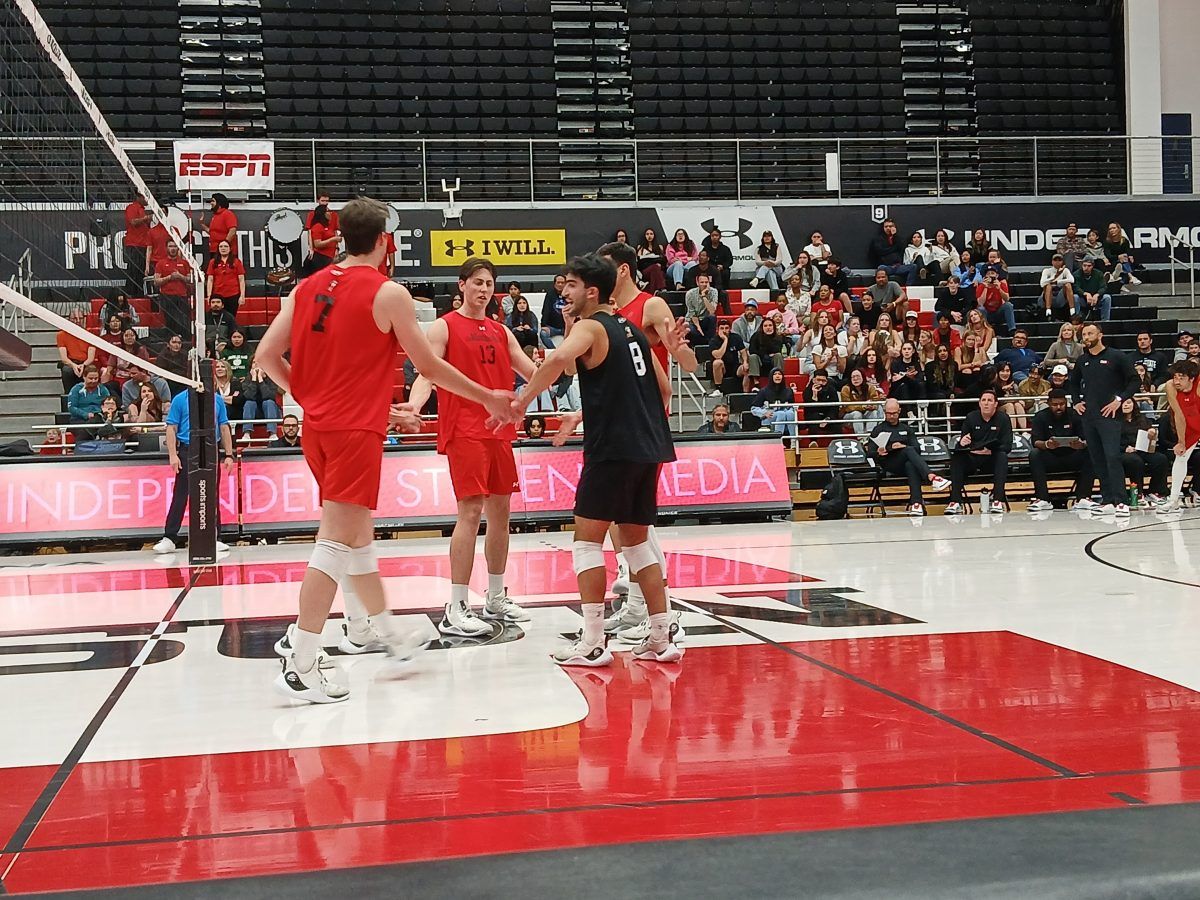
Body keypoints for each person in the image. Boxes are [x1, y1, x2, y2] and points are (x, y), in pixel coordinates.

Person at [254, 197, 517, 704]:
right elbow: (431, 369)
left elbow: (266, 356)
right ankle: (301, 654)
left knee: (356, 539)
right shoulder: (388, 293)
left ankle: (386, 636)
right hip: (354, 433)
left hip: (317, 429)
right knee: (334, 542)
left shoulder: (305, 287)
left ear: (337, 238)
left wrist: (311, 398)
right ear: (384, 242)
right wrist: (489, 397)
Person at [511, 253, 682, 666]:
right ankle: (661, 635)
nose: (562, 291)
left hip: (613, 449)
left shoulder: (591, 326)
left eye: (569, 284)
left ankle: (591, 641)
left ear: (591, 291)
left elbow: (555, 361)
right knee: (638, 544)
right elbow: (663, 390)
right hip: (648, 446)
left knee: (586, 542)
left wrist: (521, 403)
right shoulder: (633, 329)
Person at [407, 257, 540, 636]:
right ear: (462, 285)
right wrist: (415, 405)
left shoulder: (500, 331)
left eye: (488, 283)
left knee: (502, 513)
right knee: (470, 512)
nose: (483, 289)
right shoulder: (444, 326)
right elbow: (428, 374)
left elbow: (535, 375)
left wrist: (528, 396)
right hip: (465, 429)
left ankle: (495, 596)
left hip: (499, 431)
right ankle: (456, 604)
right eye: (477, 282)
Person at [596, 241, 698, 644]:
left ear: (621, 270)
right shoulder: (605, 314)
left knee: (637, 517)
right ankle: (639, 605)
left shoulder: (651, 306)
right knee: (619, 517)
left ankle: (664, 609)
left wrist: (679, 350)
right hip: (615, 421)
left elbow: (687, 363)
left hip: (645, 422)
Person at [152, 383, 235, 554]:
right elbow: (171, 427)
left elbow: (224, 426)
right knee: (181, 493)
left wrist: (229, 454)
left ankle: (215, 537)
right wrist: (173, 454)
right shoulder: (180, 399)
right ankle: (169, 537)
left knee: (212, 494)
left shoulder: (216, 400)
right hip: (188, 449)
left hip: (211, 448)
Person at [1070, 323, 1139, 517]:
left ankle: (1121, 501)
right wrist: (1076, 402)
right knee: (1098, 459)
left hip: (1110, 416)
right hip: (1089, 417)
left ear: (1100, 335)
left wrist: (1119, 400)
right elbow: (1073, 383)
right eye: (1084, 334)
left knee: (1112, 457)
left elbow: (1135, 380)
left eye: (1090, 333)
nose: (1086, 336)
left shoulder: (1116, 356)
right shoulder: (1082, 360)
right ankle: (1108, 499)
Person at [867, 398, 952, 516]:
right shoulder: (878, 429)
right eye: (888, 413)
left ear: (899, 411)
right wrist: (879, 452)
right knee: (909, 450)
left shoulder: (906, 429)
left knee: (910, 463)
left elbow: (917, 449)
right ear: (884, 412)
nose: (891, 416)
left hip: (906, 463)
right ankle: (932, 477)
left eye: (894, 413)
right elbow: (869, 453)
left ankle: (916, 504)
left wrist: (902, 446)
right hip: (888, 463)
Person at [943, 389, 1013, 516]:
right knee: (957, 457)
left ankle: (997, 500)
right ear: (979, 403)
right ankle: (955, 502)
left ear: (996, 404)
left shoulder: (1003, 419)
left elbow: (1007, 446)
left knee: (1002, 457)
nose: (986, 403)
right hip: (973, 458)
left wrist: (991, 451)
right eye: (983, 400)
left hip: (991, 459)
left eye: (990, 400)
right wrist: (962, 443)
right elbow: (961, 446)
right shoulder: (971, 418)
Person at [1026, 389, 1094, 512]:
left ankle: (1083, 498)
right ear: (1048, 403)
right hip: (1051, 457)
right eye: (1055, 404)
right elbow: (1035, 442)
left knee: (1091, 452)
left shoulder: (1074, 415)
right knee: (1034, 455)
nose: (1059, 407)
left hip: (1072, 455)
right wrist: (1047, 444)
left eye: (1062, 404)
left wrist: (1081, 444)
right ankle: (1043, 499)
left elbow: (1087, 439)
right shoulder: (1041, 416)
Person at [1155, 360, 1200, 513]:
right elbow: (1178, 415)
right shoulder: (1170, 386)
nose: (1177, 381)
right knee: (1180, 457)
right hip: (1189, 420)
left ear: (1192, 379)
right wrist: (1181, 442)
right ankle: (1173, 500)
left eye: (1181, 378)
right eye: (1175, 377)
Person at [1117, 398, 1169, 504]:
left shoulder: (1141, 418)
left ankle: (1154, 491)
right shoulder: (1115, 420)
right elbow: (1111, 440)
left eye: (1129, 403)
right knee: (1135, 461)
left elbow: (1150, 431)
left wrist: (1152, 431)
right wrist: (1125, 448)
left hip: (1141, 449)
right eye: (1123, 403)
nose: (1126, 405)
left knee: (1160, 459)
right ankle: (1138, 493)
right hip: (1124, 451)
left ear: (1134, 405)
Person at [154, 241, 194, 340]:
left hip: (182, 296)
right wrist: (169, 278)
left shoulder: (184, 263)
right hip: (167, 296)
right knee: (169, 320)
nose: (173, 248)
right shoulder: (161, 263)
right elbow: (156, 281)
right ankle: (170, 340)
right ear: (166, 248)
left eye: (175, 246)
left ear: (178, 248)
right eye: (170, 246)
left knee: (183, 320)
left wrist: (180, 276)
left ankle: (184, 340)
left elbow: (190, 280)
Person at [57, 307, 98, 393]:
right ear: (69, 319)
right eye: (75, 318)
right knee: (67, 371)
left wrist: (83, 365)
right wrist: (74, 366)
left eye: (81, 318)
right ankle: (69, 396)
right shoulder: (61, 335)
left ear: (85, 319)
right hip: (71, 362)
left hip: (86, 362)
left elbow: (91, 358)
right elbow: (64, 358)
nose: (78, 321)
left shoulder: (91, 334)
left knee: (90, 370)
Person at [752, 367, 798, 441]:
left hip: (786, 419)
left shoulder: (789, 391)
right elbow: (754, 409)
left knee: (790, 414)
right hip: (769, 418)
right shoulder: (763, 391)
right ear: (771, 377)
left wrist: (790, 411)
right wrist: (764, 413)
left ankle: (794, 441)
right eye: (775, 374)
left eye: (779, 374)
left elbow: (792, 406)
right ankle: (778, 441)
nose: (777, 376)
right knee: (781, 414)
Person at [869, 218, 918, 285]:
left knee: (913, 267)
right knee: (880, 268)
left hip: (898, 266)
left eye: (890, 226)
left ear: (894, 227)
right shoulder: (878, 239)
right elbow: (880, 251)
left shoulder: (898, 238)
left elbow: (902, 248)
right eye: (886, 226)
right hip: (886, 266)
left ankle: (908, 288)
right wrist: (894, 248)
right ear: (883, 228)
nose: (888, 228)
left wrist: (895, 236)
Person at [205, 240, 246, 319]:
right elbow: (210, 280)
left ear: (230, 249)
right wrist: (209, 295)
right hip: (218, 294)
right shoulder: (213, 262)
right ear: (218, 249)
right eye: (221, 246)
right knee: (218, 316)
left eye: (225, 246)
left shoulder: (236, 262)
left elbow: (241, 279)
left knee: (231, 316)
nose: (223, 248)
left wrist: (242, 295)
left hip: (233, 294)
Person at [67, 365, 109, 436]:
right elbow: (72, 408)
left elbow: (108, 404)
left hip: (98, 418)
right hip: (79, 419)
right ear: (84, 377)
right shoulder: (76, 389)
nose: (93, 381)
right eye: (90, 378)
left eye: (96, 378)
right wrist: (86, 415)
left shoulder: (103, 389)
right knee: (84, 433)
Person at [709, 318, 748, 395]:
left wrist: (745, 362)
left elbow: (743, 351)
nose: (724, 330)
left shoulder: (736, 337)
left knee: (746, 368)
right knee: (717, 362)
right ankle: (718, 389)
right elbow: (718, 355)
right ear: (717, 330)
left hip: (735, 366)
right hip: (722, 368)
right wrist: (725, 340)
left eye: (726, 328)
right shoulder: (713, 340)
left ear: (730, 329)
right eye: (722, 328)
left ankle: (745, 392)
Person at [123, 192, 152, 294]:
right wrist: (146, 219)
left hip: (142, 244)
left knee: (140, 272)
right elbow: (133, 222)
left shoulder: (142, 210)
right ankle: (131, 294)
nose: (147, 200)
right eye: (145, 197)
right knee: (133, 271)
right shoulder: (132, 207)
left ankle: (138, 293)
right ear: (139, 197)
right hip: (134, 244)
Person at [840, 367, 884, 434]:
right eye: (853, 377)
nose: (855, 379)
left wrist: (872, 406)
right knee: (857, 414)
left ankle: (869, 435)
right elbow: (848, 407)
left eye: (858, 376)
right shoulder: (845, 389)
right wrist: (863, 406)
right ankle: (861, 437)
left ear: (863, 377)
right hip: (849, 416)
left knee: (874, 412)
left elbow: (875, 401)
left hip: (866, 414)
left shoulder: (870, 387)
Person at [975, 267, 1016, 336]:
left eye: (992, 273)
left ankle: (1012, 330)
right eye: (988, 274)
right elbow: (980, 303)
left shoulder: (1001, 284)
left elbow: (1007, 299)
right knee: (980, 309)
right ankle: (984, 330)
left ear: (997, 275)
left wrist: (999, 289)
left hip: (998, 312)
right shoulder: (981, 286)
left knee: (1008, 305)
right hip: (987, 313)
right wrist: (985, 287)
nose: (990, 275)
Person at [200, 193, 237, 262]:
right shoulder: (215, 216)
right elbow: (212, 232)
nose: (211, 203)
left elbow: (232, 231)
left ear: (219, 203)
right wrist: (202, 224)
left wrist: (224, 245)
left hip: (225, 252)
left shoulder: (228, 214)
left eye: (213, 201)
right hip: (214, 250)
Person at [305, 204, 341, 275]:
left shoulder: (327, 226)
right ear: (323, 214)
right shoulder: (318, 226)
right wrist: (333, 239)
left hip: (329, 256)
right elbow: (317, 244)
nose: (330, 213)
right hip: (321, 258)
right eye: (327, 211)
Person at [1071, 258, 1111, 322]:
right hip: (1083, 299)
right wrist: (1085, 294)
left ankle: (1105, 321)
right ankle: (1077, 320)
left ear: (1092, 266)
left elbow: (1104, 287)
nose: (1086, 268)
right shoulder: (1076, 274)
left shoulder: (1098, 273)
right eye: (1084, 265)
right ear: (1082, 265)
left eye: (1089, 266)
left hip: (1096, 298)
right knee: (1075, 297)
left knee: (1107, 297)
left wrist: (1097, 294)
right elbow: (1076, 288)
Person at [684, 272, 719, 344]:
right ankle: (701, 345)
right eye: (702, 282)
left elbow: (712, 311)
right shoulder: (690, 293)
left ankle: (711, 344)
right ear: (697, 283)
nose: (704, 284)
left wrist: (704, 296)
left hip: (705, 319)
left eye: (706, 282)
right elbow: (692, 313)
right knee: (694, 332)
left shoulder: (714, 292)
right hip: (692, 321)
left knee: (712, 317)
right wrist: (698, 327)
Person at [888, 340, 925, 405]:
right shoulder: (895, 363)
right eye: (904, 349)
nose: (906, 351)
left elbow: (919, 379)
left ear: (913, 351)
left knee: (922, 385)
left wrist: (903, 376)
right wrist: (908, 376)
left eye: (909, 349)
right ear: (901, 351)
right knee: (904, 386)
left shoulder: (916, 363)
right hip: (898, 390)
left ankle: (922, 410)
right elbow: (895, 381)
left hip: (913, 388)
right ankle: (909, 412)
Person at [1038, 254, 1075, 320]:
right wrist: (1055, 276)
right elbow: (1042, 283)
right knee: (1048, 286)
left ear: (1062, 262)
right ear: (1052, 262)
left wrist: (1057, 282)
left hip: (1060, 295)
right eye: (1055, 260)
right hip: (1048, 295)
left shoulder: (1065, 270)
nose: (1057, 262)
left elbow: (1072, 280)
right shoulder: (1047, 271)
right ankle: (1048, 310)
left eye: (1059, 260)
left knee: (1068, 285)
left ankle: (1072, 310)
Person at [700, 226, 734, 290]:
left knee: (726, 272)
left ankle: (725, 290)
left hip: (722, 269)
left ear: (720, 237)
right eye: (713, 235)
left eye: (716, 235)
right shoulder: (706, 248)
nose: (714, 237)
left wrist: (723, 266)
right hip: (709, 268)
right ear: (710, 237)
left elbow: (730, 261)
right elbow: (703, 259)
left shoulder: (725, 248)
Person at [540, 273, 567, 348]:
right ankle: (554, 351)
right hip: (552, 327)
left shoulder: (570, 294)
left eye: (562, 283)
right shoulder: (550, 294)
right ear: (554, 284)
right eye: (558, 282)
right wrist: (544, 325)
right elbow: (546, 310)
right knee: (543, 334)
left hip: (566, 327)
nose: (560, 284)